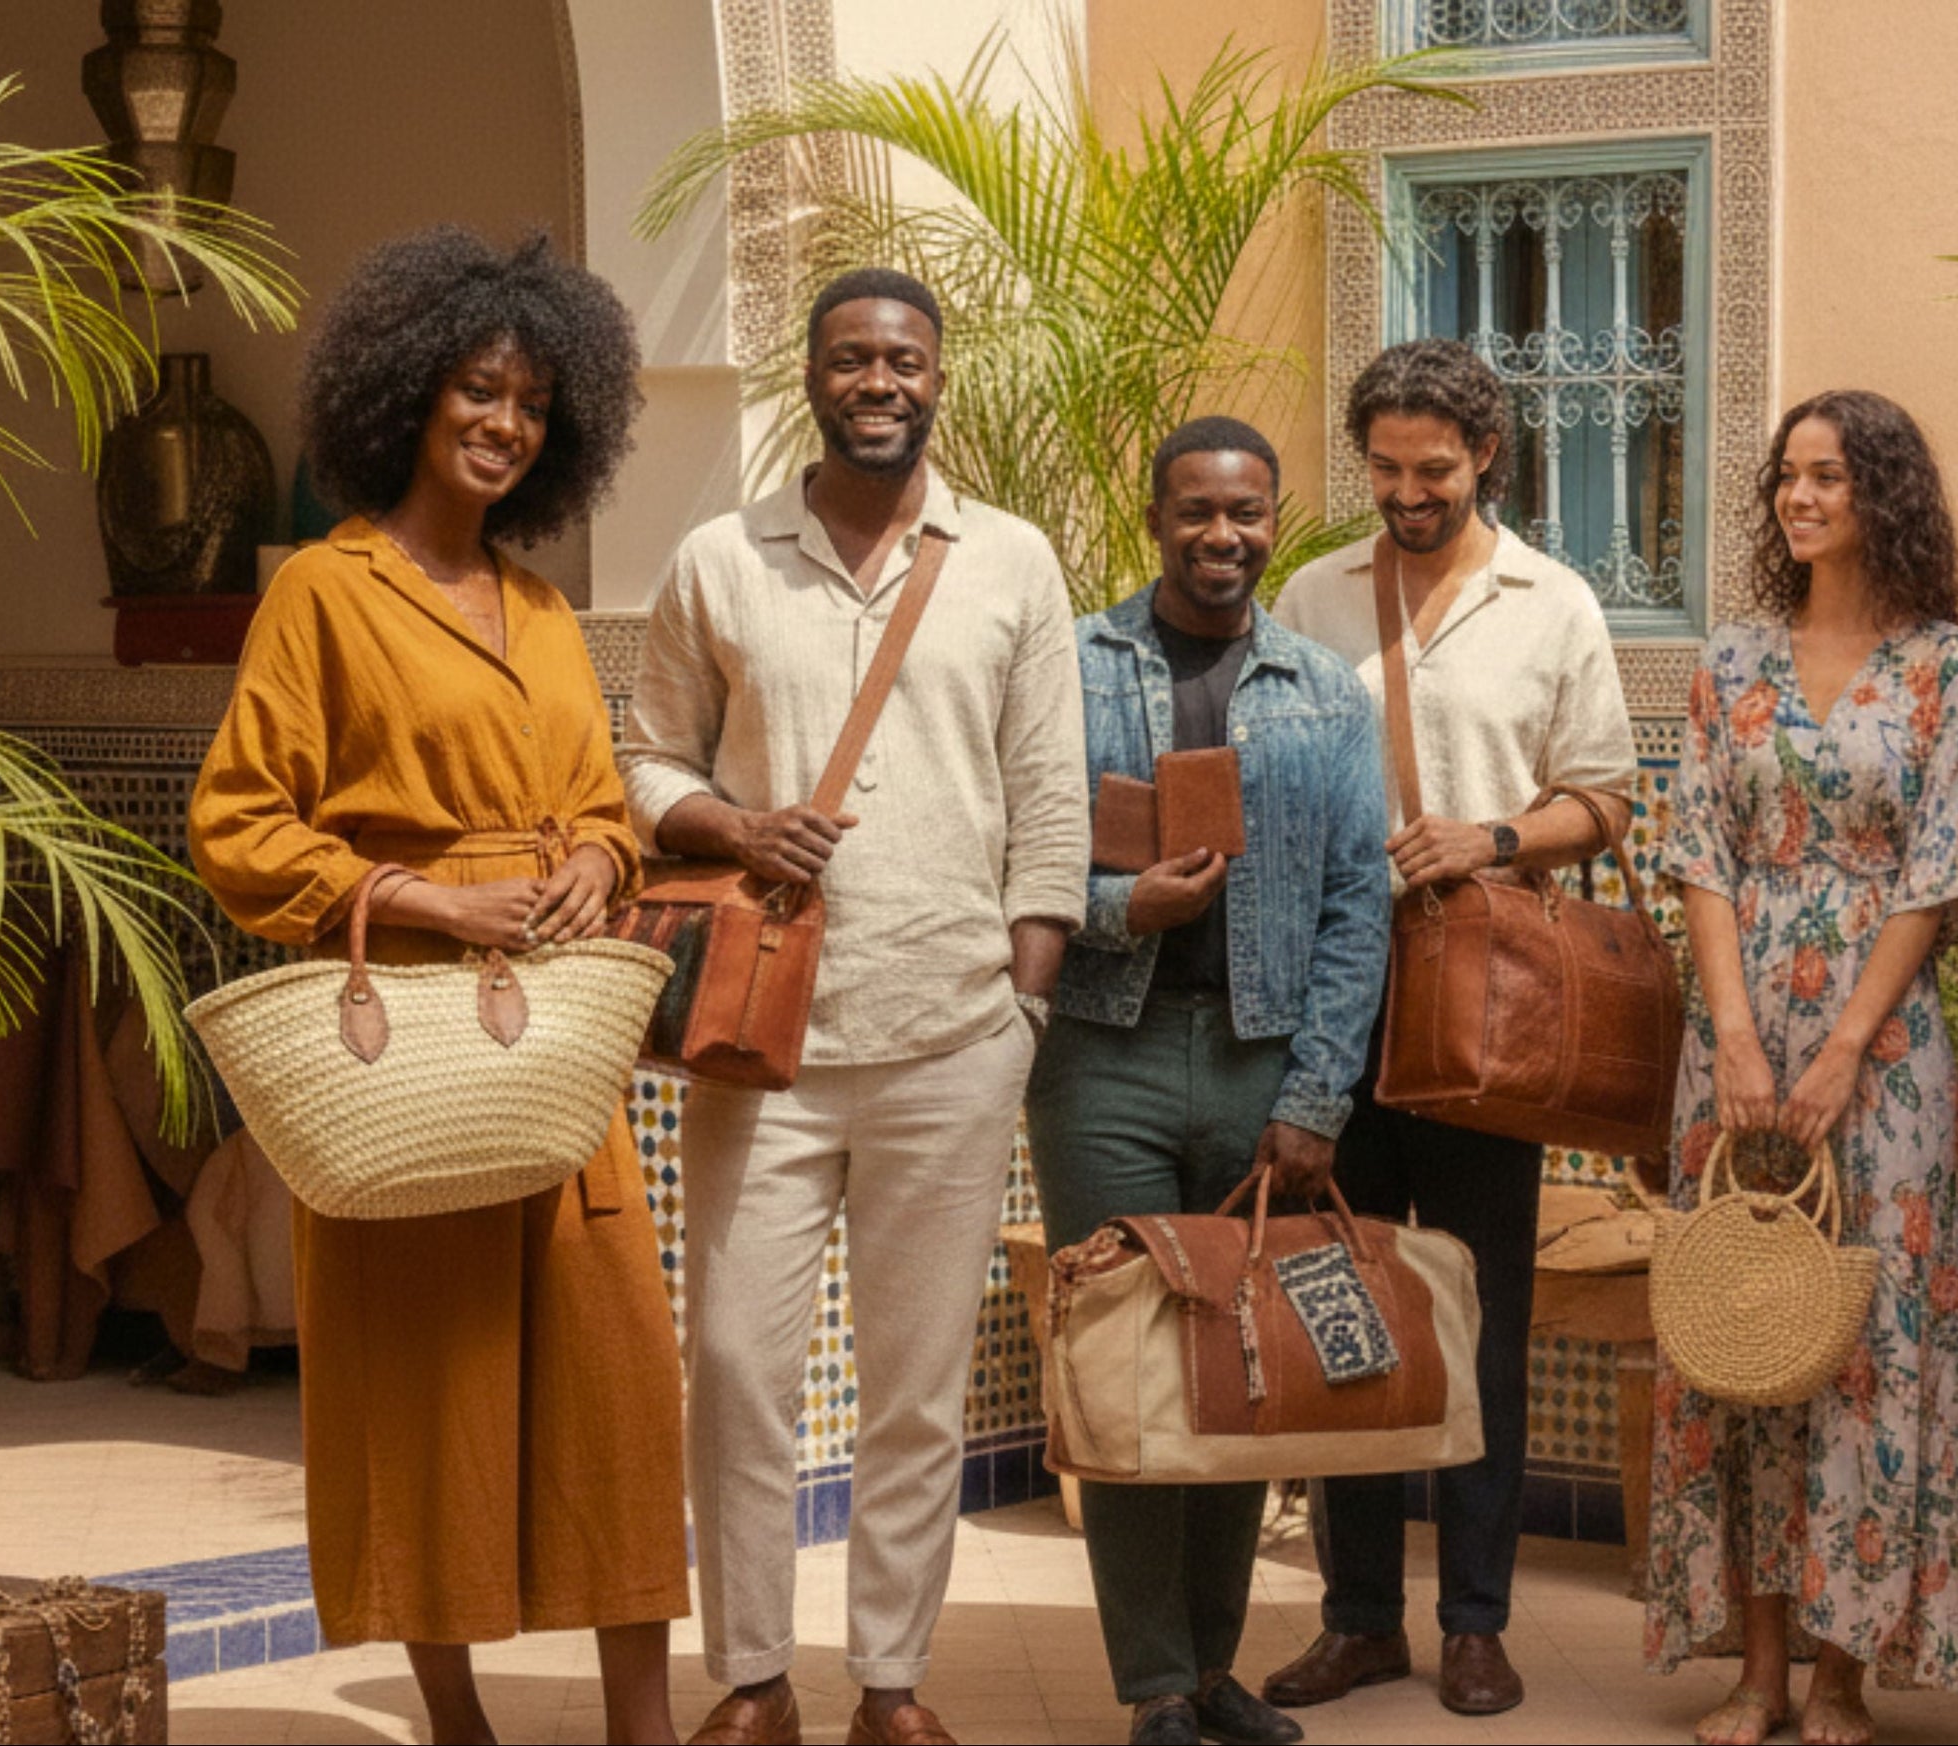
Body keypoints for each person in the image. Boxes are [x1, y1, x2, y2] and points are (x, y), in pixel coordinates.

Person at [189, 228, 683, 1746]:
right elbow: (236, 825)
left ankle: (640, 1724)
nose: (505, 423)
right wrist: (426, 896)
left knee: (617, 1386)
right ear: (408, 393)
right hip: (405, 1040)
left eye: (533, 403)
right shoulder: (321, 596)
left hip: (550, 1050)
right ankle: (456, 1717)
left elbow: (602, 802)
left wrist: (599, 863)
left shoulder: (538, 607)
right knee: (427, 1402)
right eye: (479, 389)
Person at [624, 267, 1088, 1746]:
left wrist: (1022, 1005)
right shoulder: (721, 557)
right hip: (763, 1045)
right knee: (743, 1369)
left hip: (952, 1039)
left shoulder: (1010, 560)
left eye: (901, 357)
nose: (877, 378)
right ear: (813, 375)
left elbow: (1052, 802)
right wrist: (733, 825)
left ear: (936, 376)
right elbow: (643, 761)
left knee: (915, 1383)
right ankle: (754, 1678)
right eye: (849, 357)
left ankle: (890, 1683)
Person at [1259, 337, 1637, 1720]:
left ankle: (1476, 1619)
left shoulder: (1557, 604)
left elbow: (1604, 798)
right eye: (1384, 470)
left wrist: (1487, 835)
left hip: (1493, 1022)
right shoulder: (1310, 593)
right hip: (1335, 1014)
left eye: (1433, 471)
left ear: (1486, 457)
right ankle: (1359, 1617)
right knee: (1344, 1310)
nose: (1406, 496)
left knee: (1481, 1320)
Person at [1645, 391, 1958, 1746]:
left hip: (1888, 1045)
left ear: (1884, 496)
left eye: (1831, 479)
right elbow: (1699, 850)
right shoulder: (1730, 661)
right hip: (1737, 1040)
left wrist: (1850, 1040)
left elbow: (1947, 861)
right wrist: (1733, 1032)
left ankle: (1844, 1669)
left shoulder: (1946, 668)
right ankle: (1754, 1664)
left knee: (1863, 1340)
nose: (1802, 499)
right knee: (1744, 1327)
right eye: (1788, 478)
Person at [1029, 416, 1391, 1746]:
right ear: (1154, 516)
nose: (1221, 535)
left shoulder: (1324, 687)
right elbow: (1013, 857)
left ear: (1273, 517)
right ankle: (1153, 1685)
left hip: (1260, 1068)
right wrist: (1128, 907)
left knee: (1239, 1375)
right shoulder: (1069, 667)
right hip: (1102, 1061)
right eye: (1195, 510)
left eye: (1244, 512)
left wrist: (1317, 1094)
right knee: (1130, 1372)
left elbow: (1364, 899)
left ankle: (1216, 1665)